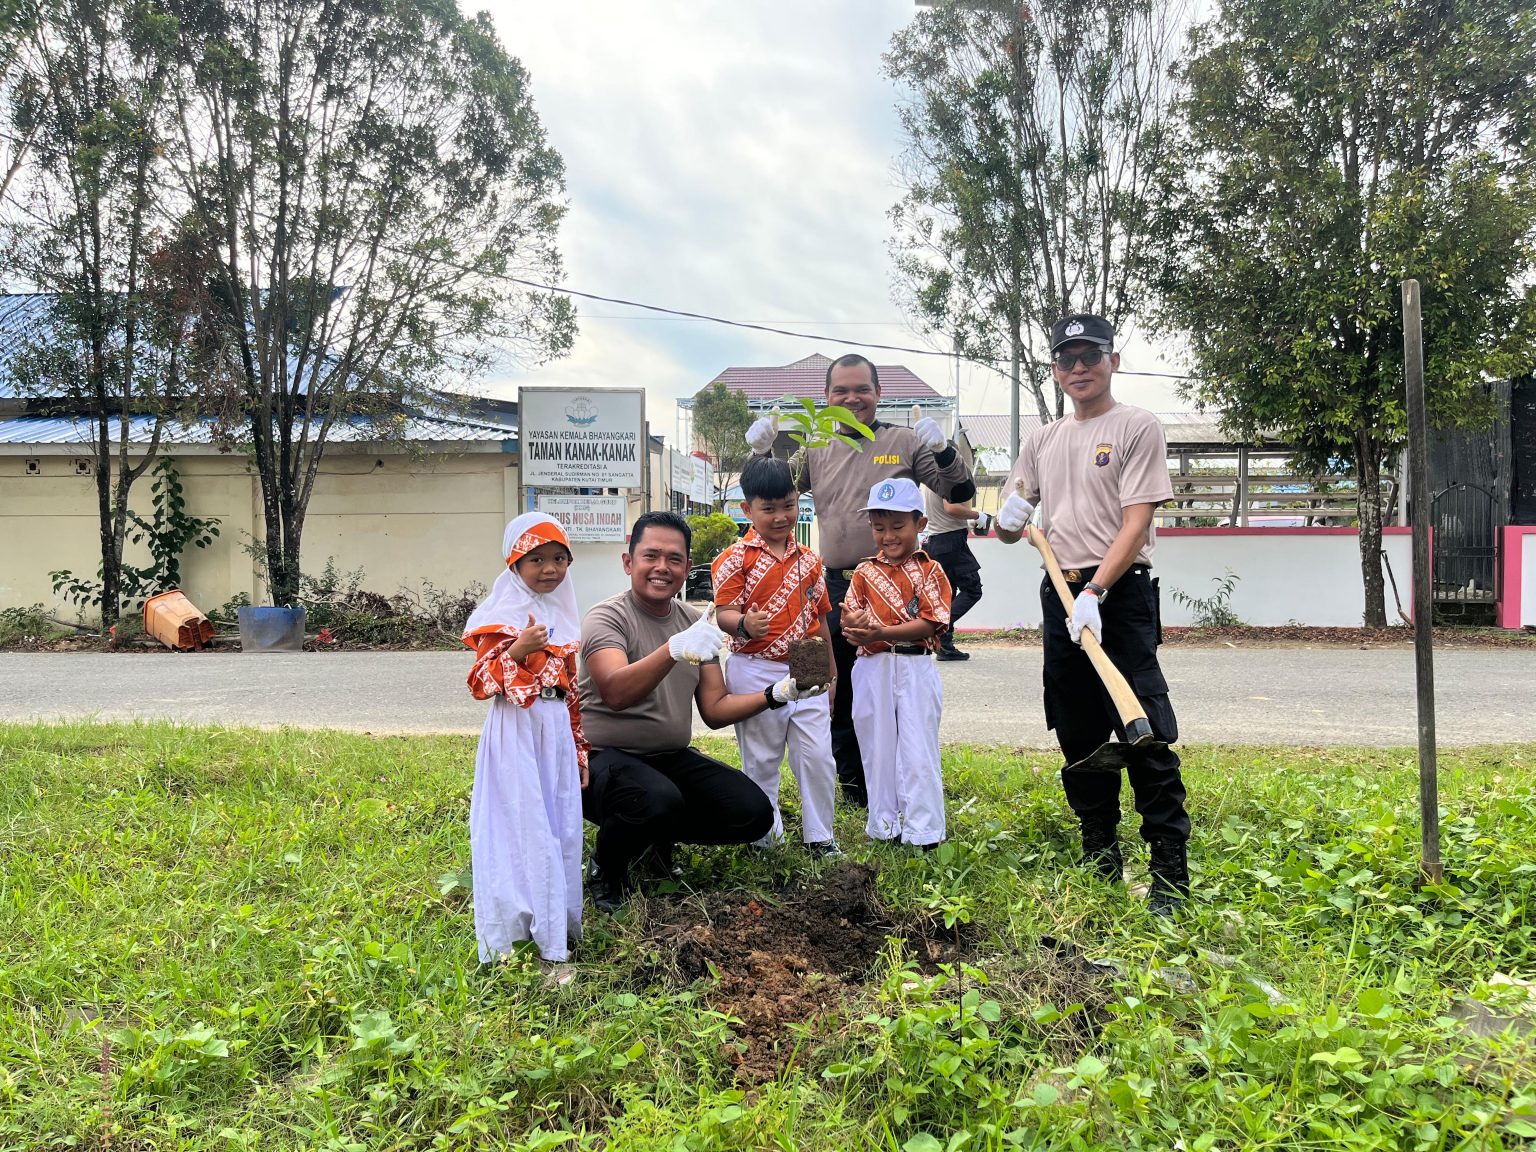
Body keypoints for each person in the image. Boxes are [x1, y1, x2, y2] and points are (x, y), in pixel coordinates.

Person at [994, 313, 1191, 915]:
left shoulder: (1136, 426)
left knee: (1143, 727)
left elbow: (1138, 522)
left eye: (1090, 355)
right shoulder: (1044, 439)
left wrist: (1097, 592)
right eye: (1066, 359)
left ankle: (1169, 876)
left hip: (1119, 595)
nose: (1078, 368)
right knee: (1077, 728)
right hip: (1060, 594)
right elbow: (1016, 512)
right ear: (1054, 369)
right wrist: (1008, 517)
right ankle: (1100, 853)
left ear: (1112, 360)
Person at [744, 353, 975, 807]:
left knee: (892, 691)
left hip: (892, 586)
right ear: (826, 398)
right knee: (831, 686)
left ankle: (899, 783)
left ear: (878, 394)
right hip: (831, 585)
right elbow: (777, 495)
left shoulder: (905, 441)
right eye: (840, 391)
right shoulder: (816, 445)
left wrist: (945, 450)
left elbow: (959, 493)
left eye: (861, 390)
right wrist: (761, 453)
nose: (852, 399)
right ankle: (851, 788)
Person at [577, 510, 827, 910]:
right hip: (599, 762)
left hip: (668, 758)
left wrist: (778, 693)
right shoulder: (606, 618)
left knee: (752, 812)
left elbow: (715, 708)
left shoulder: (695, 622)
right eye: (651, 556)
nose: (662, 567)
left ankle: (653, 841)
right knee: (656, 799)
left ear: (687, 567)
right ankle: (607, 868)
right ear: (628, 562)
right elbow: (615, 692)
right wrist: (673, 649)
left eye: (674, 559)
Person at [462, 512, 587, 981]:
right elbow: (478, 682)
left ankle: (558, 927)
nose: (550, 569)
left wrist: (579, 750)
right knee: (523, 827)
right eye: (536, 559)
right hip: (515, 730)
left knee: (559, 827)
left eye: (559, 558)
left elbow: (571, 692)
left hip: (553, 731)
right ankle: (523, 938)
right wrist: (516, 650)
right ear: (514, 563)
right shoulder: (499, 617)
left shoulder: (564, 616)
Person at [712, 456, 842, 856]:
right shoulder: (734, 558)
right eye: (768, 508)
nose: (781, 516)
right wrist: (745, 624)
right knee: (762, 757)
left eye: (788, 505)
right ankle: (765, 837)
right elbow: (723, 613)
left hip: (807, 664)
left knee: (818, 755)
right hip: (754, 669)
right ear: (747, 509)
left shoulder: (811, 561)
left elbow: (820, 620)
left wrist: (832, 675)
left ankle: (820, 837)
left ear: (798, 500)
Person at [839, 478, 952, 847]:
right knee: (876, 746)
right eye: (879, 527)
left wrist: (881, 631)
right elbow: (851, 622)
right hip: (872, 668)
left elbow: (934, 620)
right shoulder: (863, 572)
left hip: (915, 665)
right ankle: (885, 825)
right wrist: (856, 628)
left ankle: (924, 832)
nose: (888, 536)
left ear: (920, 524)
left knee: (918, 749)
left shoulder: (930, 570)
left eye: (898, 526)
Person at [923, 441, 984, 661]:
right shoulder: (947, 476)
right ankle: (938, 627)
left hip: (937, 541)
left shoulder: (929, 477)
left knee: (948, 594)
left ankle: (945, 646)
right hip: (951, 542)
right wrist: (978, 515)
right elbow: (950, 509)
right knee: (973, 589)